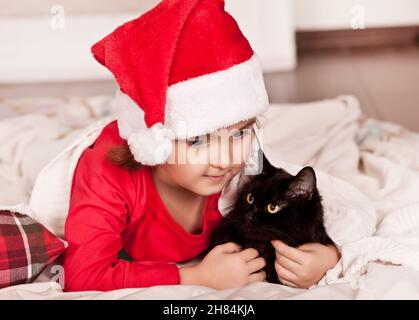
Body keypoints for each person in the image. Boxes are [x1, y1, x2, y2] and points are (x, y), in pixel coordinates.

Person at [63, 0, 340, 292]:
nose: (224, 159)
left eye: (239, 133)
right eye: (198, 139)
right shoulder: (107, 173)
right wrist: (195, 277)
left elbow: (332, 200)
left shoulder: (242, 164)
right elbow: (82, 277)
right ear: (155, 140)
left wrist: (329, 255)